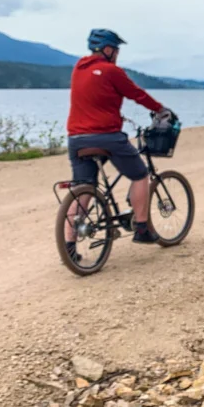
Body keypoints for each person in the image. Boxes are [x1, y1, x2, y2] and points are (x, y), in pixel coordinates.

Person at [64, 29, 174, 254]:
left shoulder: (78, 68)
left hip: (75, 138)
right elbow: (136, 94)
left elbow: (94, 97)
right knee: (140, 174)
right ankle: (142, 229)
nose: (117, 54)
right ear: (107, 49)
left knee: (82, 188)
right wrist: (160, 110)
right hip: (107, 137)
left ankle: (69, 247)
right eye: (116, 50)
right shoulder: (112, 71)